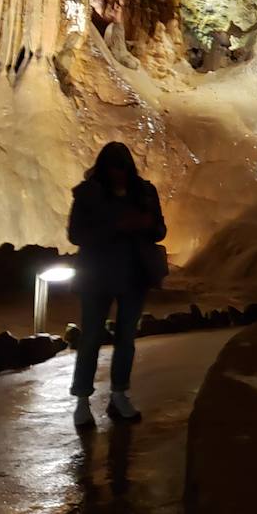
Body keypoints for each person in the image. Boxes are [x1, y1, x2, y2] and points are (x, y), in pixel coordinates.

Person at [67, 142, 167, 427]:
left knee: (126, 339)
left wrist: (146, 225)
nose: (119, 174)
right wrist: (115, 228)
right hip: (97, 274)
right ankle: (83, 400)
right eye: (114, 168)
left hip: (134, 273)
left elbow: (160, 229)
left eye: (123, 168)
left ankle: (119, 394)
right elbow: (76, 234)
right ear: (104, 168)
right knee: (90, 338)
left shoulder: (144, 193)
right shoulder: (87, 194)